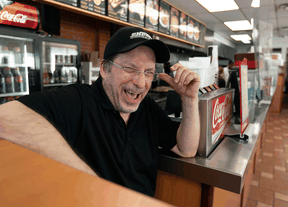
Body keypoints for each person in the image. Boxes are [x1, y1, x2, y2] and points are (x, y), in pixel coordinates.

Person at [0, 27, 200, 197]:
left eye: (148, 72)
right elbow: (5, 117)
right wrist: (90, 179)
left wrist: (189, 99)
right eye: (130, 68)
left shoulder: (147, 108)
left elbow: (186, 149)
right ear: (104, 69)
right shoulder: (79, 100)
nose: (141, 82)